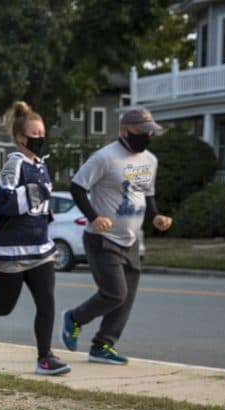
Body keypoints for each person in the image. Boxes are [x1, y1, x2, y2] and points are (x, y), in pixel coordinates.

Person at [61, 107, 173, 364]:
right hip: (102, 239)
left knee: (126, 299)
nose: (147, 137)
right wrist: (94, 217)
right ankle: (74, 318)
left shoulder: (150, 160)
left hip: (131, 238)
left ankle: (102, 346)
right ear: (124, 131)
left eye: (150, 132)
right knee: (115, 293)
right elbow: (77, 187)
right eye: (142, 132)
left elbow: (147, 193)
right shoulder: (104, 157)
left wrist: (156, 216)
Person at [0, 101, 70, 375]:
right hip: (12, 252)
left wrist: (44, 212)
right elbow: (2, 201)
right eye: (33, 135)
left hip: (41, 250)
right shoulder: (14, 164)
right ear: (19, 137)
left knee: (47, 302)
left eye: (42, 134)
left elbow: (41, 203)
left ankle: (44, 358)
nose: (39, 139)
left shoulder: (41, 165)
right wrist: (34, 194)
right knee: (4, 306)